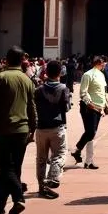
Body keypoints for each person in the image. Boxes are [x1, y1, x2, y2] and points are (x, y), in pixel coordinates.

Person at [0, 45, 36, 214]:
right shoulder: (27, 80)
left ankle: (18, 197)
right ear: (22, 61)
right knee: (12, 169)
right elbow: (32, 107)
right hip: (22, 131)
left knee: (6, 167)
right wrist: (33, 129)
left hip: (4, 130)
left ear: (6, 60)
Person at [34, 59, 70, 199]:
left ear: (46, 72)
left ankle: (41, 187)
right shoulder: (63, 88)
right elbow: (66, 107)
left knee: (41, 159)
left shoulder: (38, 90)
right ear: (60, 73)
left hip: (41, 127)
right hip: (57, 127)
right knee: (60, 154)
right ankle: (53, 177)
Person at [72, 56, 108, 169]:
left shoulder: (101, 75)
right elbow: (83, 92)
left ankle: (86, 159)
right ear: (98, 63)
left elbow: (103, 92)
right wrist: (90, 104)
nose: (104, 65)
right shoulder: (88, 75)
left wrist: (106, 104)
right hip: (89, 107)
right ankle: (82, 155)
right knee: (91, 132)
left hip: (98, 107)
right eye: (103, 63)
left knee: (91, 132)